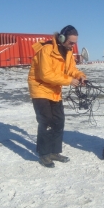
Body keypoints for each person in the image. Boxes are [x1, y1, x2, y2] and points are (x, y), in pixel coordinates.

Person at [28, 25, 87, 168]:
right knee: (46, 120)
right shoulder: (47, 49)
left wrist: (80, 76)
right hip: (40, 88)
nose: (73, 45)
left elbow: (71, 69)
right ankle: (44, 154)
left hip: (54, 90)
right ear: (61, 38)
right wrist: (69, 81)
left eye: (75, 43)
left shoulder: (67, 51)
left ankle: (54, 151)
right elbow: (45, 74)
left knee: (59, 120)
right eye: (71, 42)